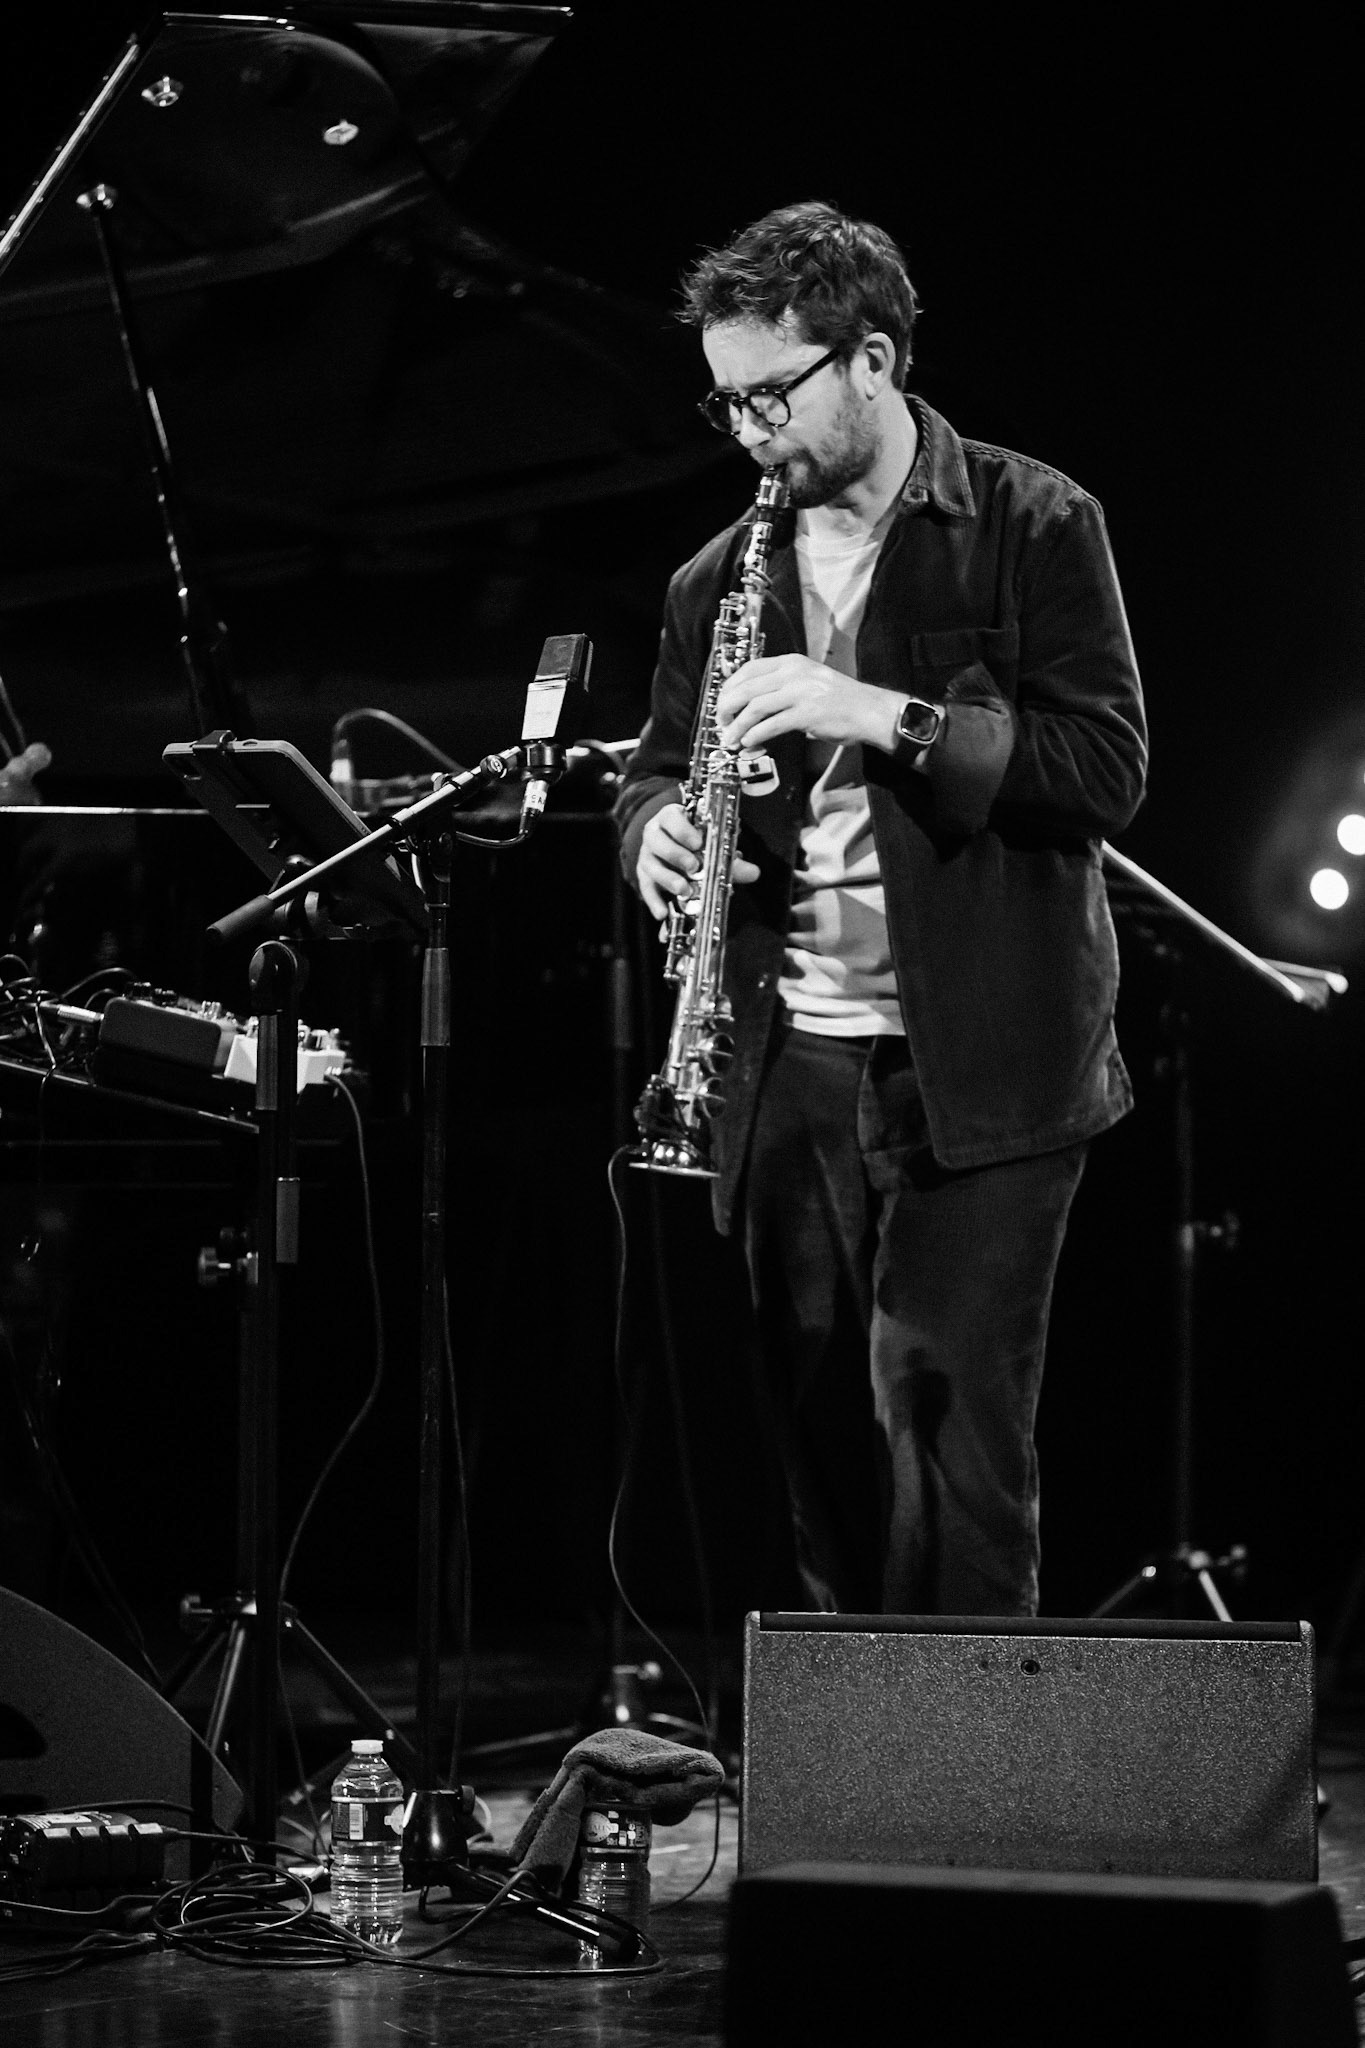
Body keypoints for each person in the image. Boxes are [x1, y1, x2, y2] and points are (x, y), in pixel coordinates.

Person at [615, 202, 1147, 1617]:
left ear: (870, 360)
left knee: (949, 1433)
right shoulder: (712, 580)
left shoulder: (1034, 522)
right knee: (815, 1445)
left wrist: (883, 713)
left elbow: (1101, 771)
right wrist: (657, 830)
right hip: (787, 1062)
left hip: (981, 1064)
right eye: (723, 403)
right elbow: (656, 769)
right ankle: (835, 1786)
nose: (745, 435)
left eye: (767, 397)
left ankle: (964, 1802)